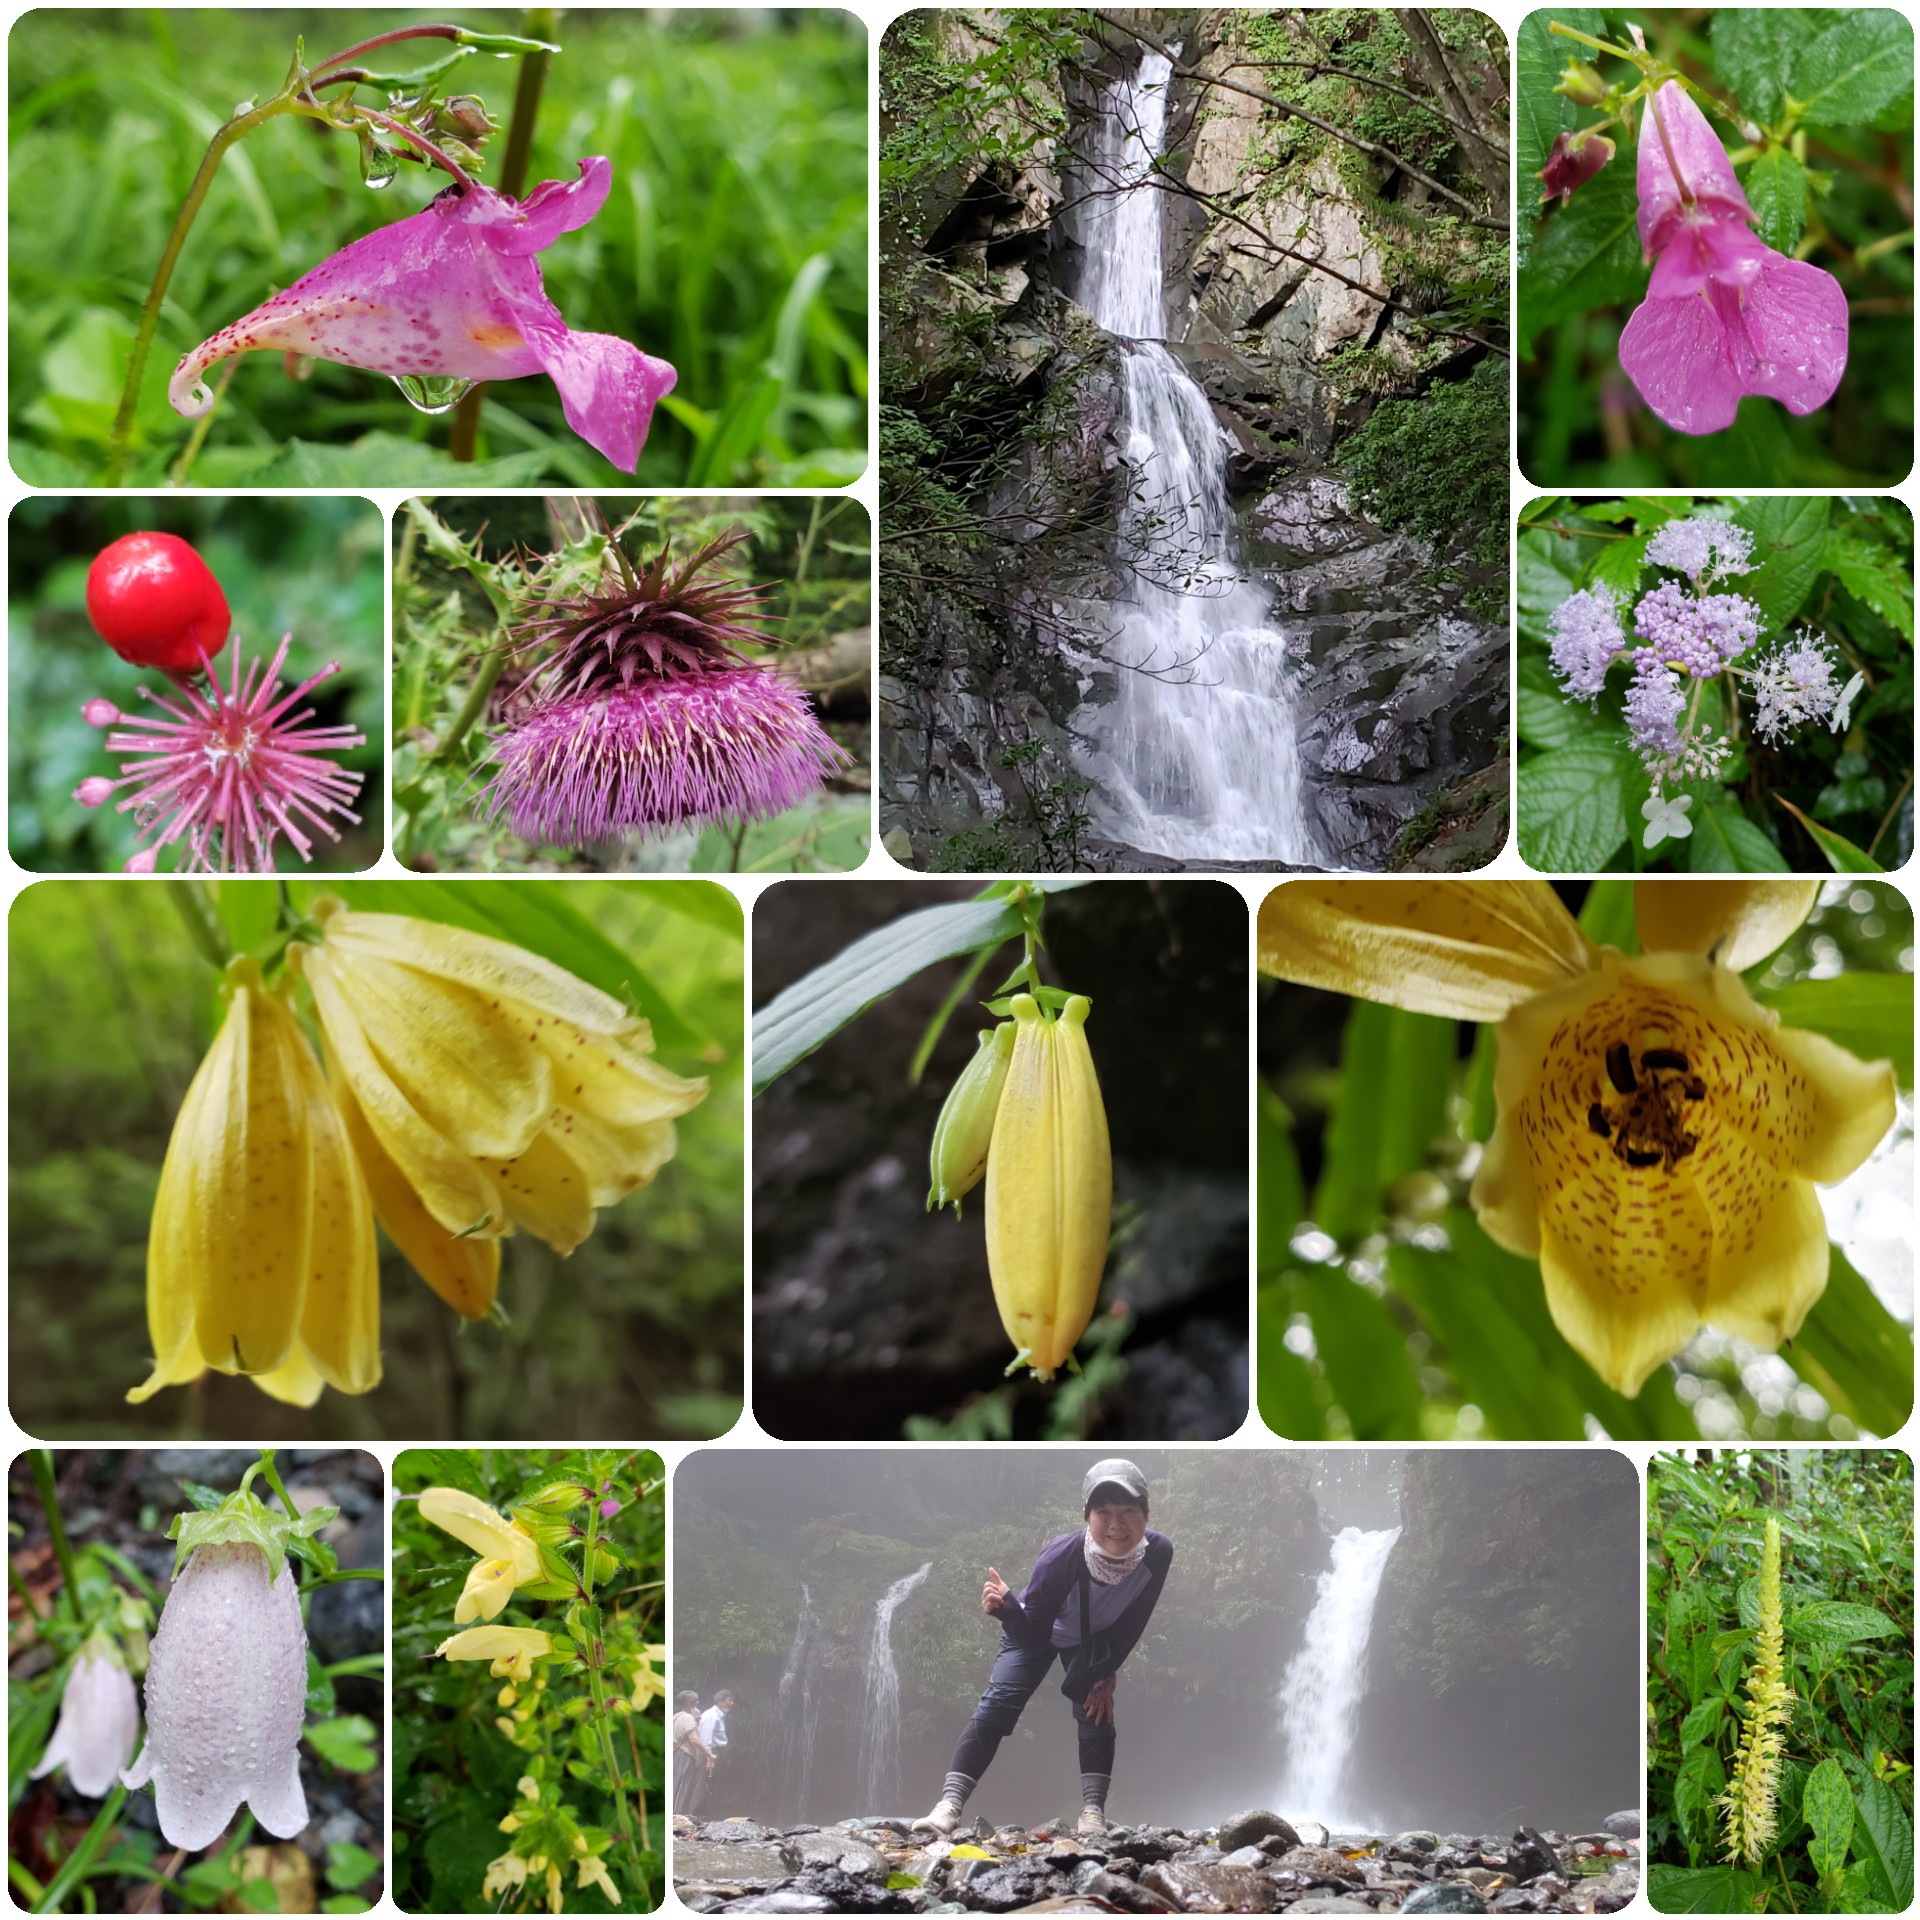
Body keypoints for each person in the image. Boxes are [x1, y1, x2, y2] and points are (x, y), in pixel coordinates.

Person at [915, 1459, 1173, 1839]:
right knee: (999, 1702)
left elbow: (1134, 1621)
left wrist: (1105, 1671)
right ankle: (948, 1806)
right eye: (1103, 1512)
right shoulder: (1059, 1557)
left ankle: (1093, 1813)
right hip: (1033, 1628)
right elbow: (1033, 1637)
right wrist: (1006, 1610)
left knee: (1097, 1709)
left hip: (1092, 1639)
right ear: (1087, 1516)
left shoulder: (1158, 1553)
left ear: (1146, 1514)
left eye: (1128, 1511)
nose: (1116, 1524)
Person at [671, 1689, 714, 1818]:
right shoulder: (687, 1717)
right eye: (696, 1700)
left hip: (675, 1754)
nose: (698, 1702)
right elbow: (694, 1739)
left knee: (673, 1783)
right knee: (681, 1786)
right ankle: (675, 1817)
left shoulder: (676, 1716)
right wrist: (708, 1755)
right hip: (684, 1755)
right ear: (691, 1702)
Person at [697, 1688, 734, 1800]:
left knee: (711, 1783)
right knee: (703, 1784)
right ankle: (695, 1814)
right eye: (730, 1700)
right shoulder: (711, 1716)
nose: (732, 1703)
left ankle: (704, 1813)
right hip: (710, 1754)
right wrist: (709, 1758)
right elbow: (705, 1738)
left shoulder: (719, 1716)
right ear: (720, 1701)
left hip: (717, 1753)